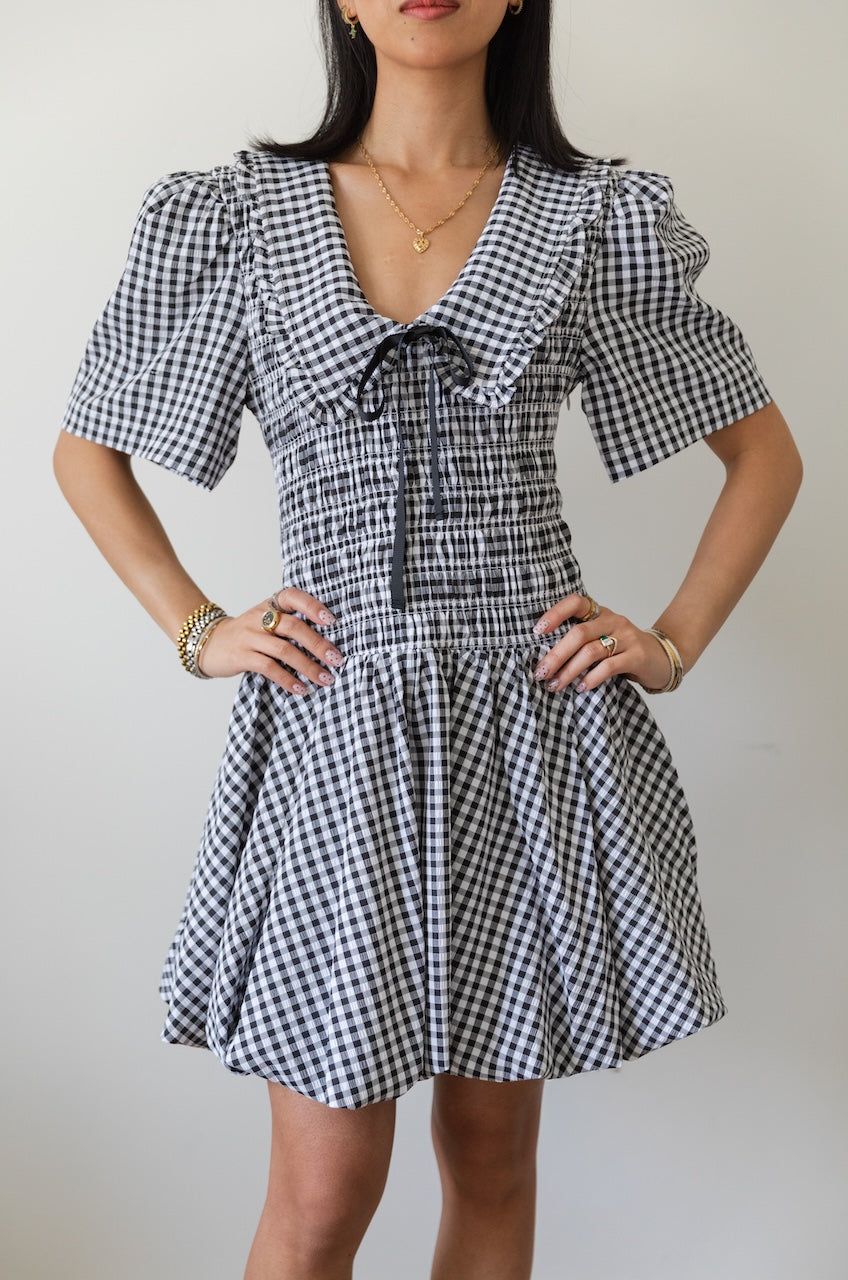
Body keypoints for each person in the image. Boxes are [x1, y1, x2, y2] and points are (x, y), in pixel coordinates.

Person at [52, 1, 802, 1277]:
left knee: (492, 1159)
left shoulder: (587, 219)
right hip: (334, 734)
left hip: (527, 730)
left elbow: (762, 458)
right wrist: (202, 627)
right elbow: (89, 451)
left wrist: (669, 638)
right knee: (322, 1192)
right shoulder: (238, 217)